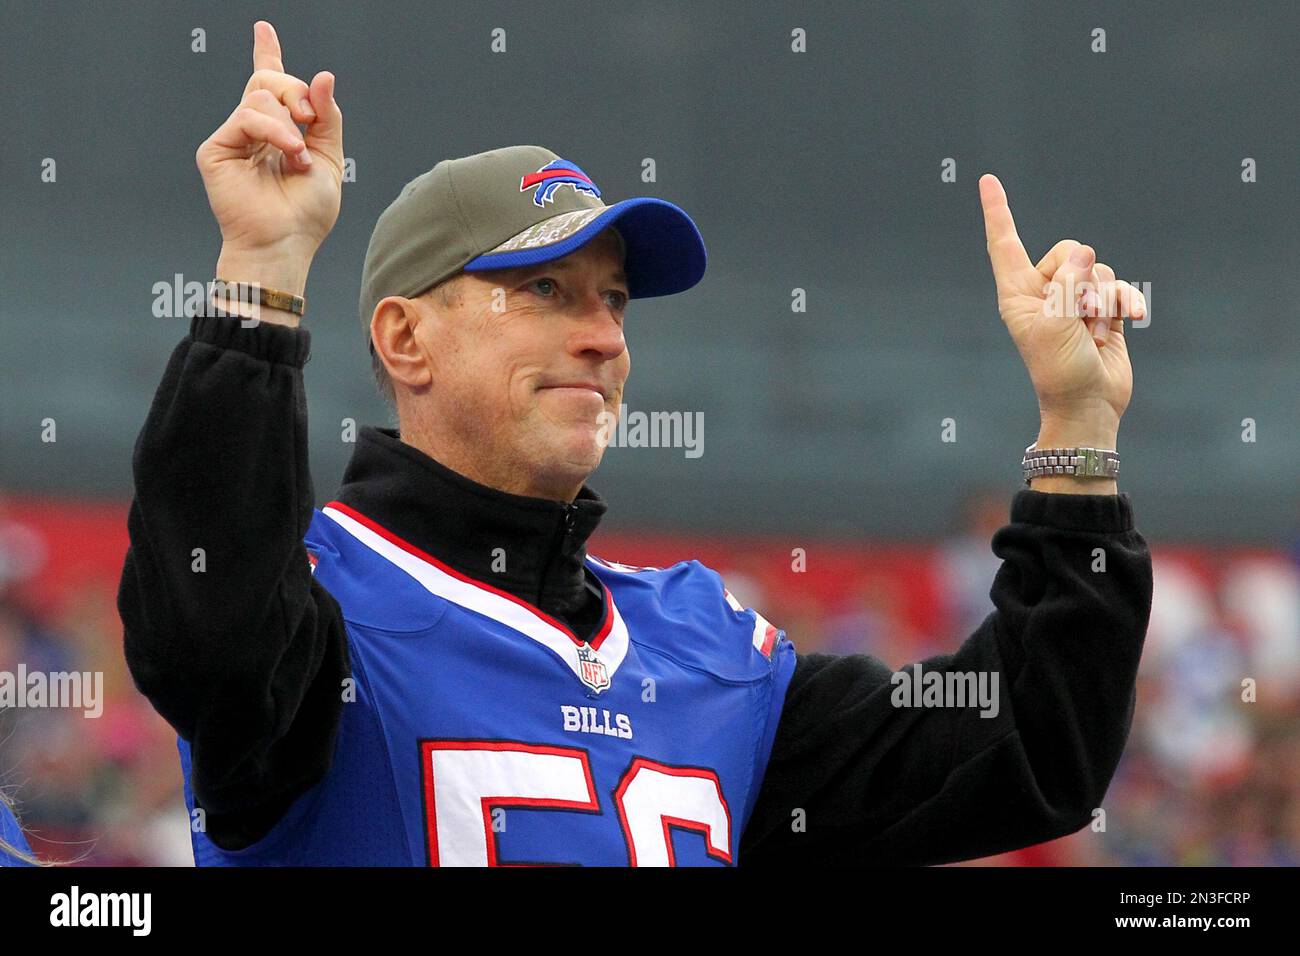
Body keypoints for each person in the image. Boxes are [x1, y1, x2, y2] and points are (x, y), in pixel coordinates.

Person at [118, 21, 1153, 865]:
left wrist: (1078, 428)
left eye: (614, 298)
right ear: (404, 337)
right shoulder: (317, 609)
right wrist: (259, 272)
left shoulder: (706, 647)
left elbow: (1030, 748)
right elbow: (204, 625)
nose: (604, 334)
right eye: (544, 291)